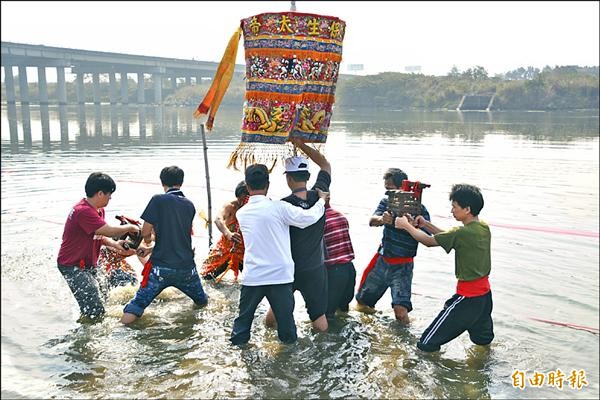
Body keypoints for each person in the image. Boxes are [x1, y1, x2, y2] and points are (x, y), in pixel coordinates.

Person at [230, 164, 328, 345]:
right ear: (268, 185)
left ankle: (239, 354)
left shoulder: (241, 213)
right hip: (279, 277)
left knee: (242, 324)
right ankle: (287, 364)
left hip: (254, 276)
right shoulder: (280, 208)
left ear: (247, 186)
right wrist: (321, 200)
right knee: (287, 329)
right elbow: (308, 218)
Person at [394, 184, 494, 352]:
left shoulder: (461, 233)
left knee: (425, 344)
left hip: (467, 299)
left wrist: (406, 226)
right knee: (482, 343)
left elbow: (428, 241)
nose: (451, 211)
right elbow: (450, 237)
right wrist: (426, 224)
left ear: (467, 209)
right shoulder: (483, 228)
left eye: (454, 207)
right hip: (484, 298)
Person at [121, 166, 208, 324]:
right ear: (181, 182)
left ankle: (119, 332)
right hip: (186, 269)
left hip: (160, 269)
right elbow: (178, 239)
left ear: (162, 182)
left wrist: (147, 242)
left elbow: (146, 231)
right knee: (202, 302)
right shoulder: (190, 205)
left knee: (136, 305)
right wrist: (149, 249)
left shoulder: (158, 200)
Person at [265, 138, 331, 332]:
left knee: (273, 317)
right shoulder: (321, 194)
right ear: (308, 176)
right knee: (319, 318)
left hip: (288, 269)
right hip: (315, 268)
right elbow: (325, 164)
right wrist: (300, 143)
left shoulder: (282, 205)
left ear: (289, 178)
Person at [56, 172, 140, 319]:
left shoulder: (98, 210)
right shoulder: (83, 211)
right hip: (72, 265)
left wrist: (115, 244)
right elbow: (107, 230)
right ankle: (89, 331)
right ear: (100, 193)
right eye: (109, 195)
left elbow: (98, 234)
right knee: (93, 307)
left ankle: (96, 321)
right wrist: (130, 228)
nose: (110, 198)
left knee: (103, 294)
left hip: (88, 264)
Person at [355, 168, 431, 324]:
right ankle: (370, 329)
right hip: (382, 261)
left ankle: (406, 339)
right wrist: (382, 219)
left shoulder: (419, 209)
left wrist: (413, 225)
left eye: (389, 188)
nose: (387, 192)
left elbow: (428, 236)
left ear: (403, 188)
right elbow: (372, 220)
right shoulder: (386, 203)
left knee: (401, 313)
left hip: (403, 267)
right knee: (363, 303)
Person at [200, 181, 248, 281]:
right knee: (205, 277)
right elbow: (218, 219)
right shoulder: (231, 206)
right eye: (241, 198)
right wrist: (228, 233)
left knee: (255, 282)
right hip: (225, 249)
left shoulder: (254, 209)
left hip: (245, 253)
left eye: (246, 198)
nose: (243, 202)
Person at [323, 197, 357, 320]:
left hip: (334, 272)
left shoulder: (318, 220)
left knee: (327, 315)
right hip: (349, 269)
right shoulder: (340, 216)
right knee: (343, 311)